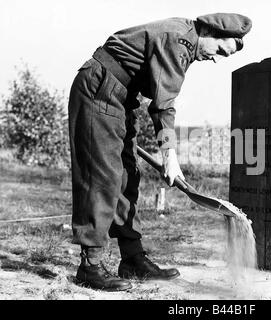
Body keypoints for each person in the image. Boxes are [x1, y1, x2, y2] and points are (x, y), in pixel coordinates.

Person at [68, 13, 252, 291]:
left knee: (127, 176)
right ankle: (90, 266)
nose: (214, 58)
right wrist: (170, 155)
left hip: (121, 97)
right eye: (219, 51)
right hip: (100, 89)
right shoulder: (178, 41)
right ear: (211, 33)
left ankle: (132, 258)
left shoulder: (186, 40)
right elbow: (163, 106)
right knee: (103, 176)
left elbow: (158, 95)